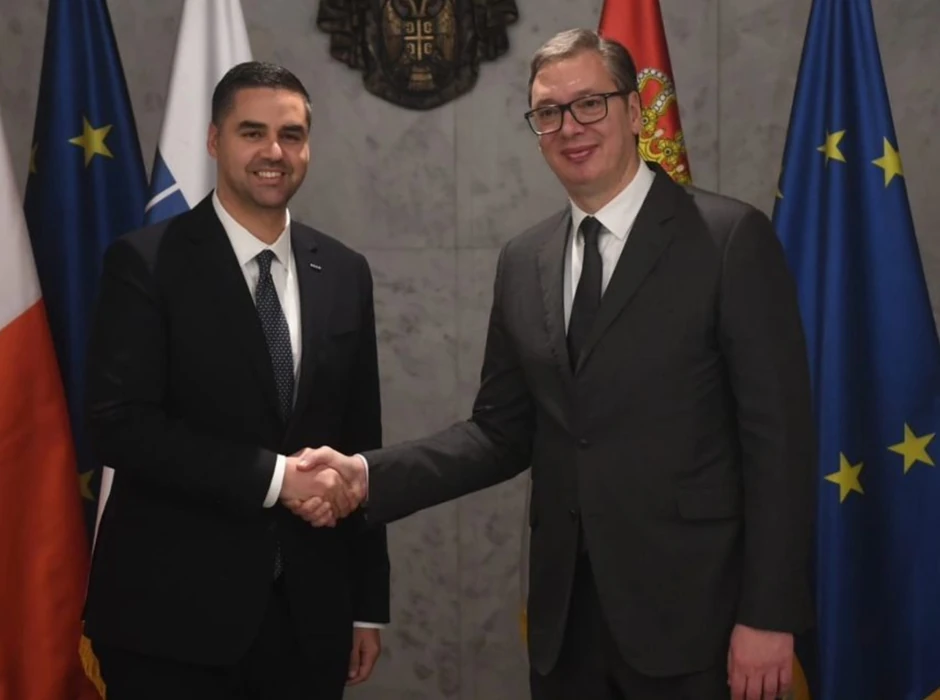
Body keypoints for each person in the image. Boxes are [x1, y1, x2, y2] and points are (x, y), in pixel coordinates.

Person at [293, 28, 816, 700]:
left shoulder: (728, 239)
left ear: (634, 111)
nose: (571, 127)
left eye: (590, 103)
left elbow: (779, 443)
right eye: (549, 112)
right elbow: (499, 433)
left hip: (699, 621)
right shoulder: (524, 261)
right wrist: (367, 474)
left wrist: (768, 615)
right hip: (566, 627)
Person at [83, 61, 389, 700]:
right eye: (253, 133)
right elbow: (120, 426)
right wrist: (277, 479)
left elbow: (361, 439)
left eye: (291, 135)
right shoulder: (144, 262)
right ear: (214, 140)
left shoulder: (344, 271)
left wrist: (366, 604)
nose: (274, 152)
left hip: (308, 620)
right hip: (170, 623)